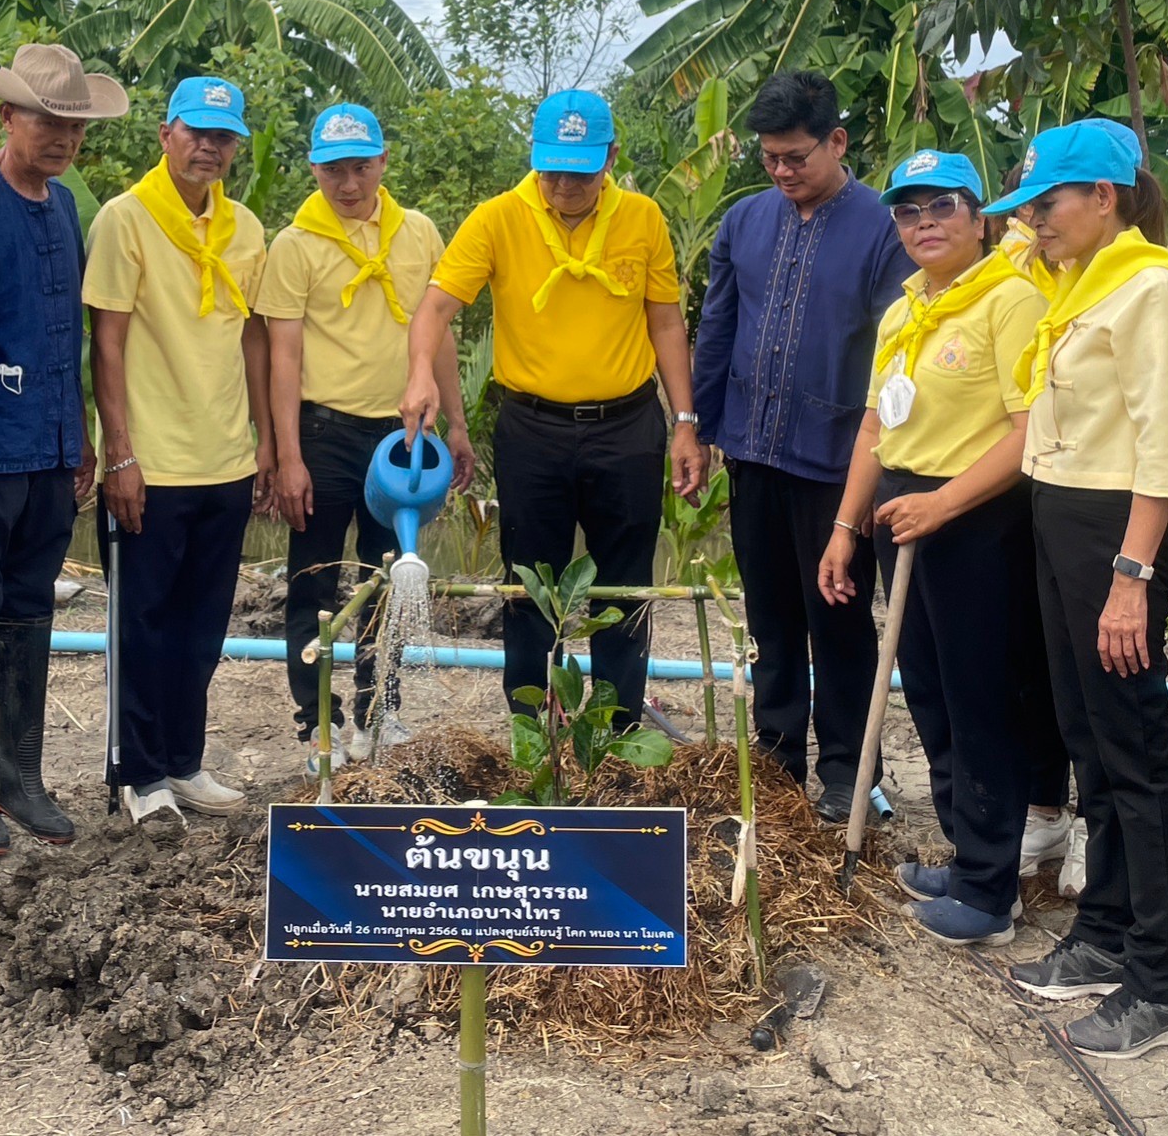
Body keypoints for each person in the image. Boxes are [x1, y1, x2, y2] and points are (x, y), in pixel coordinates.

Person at [983, 120, 1168, 1062]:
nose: (1034, 222)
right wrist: (1031, 234)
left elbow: (1164, 443)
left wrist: (1131, 576)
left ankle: (1163, 980)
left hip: (1119, 532)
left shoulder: (1149, 291)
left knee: (1135, 749)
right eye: (1030, 207)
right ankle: (1110, 925)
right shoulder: (1081, 284)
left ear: (1107, 197)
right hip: (1064, 522)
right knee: (1087, 737)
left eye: (1049, 203)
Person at [402, 89, 706, 729]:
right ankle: (531, 730)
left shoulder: (643, 219)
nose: (564, 185)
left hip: (627, 428)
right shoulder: (498, 218)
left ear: (612, 158)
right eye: (553, 169)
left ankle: (617, 730)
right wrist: (418, 378)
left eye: (581, 170)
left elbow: (666, 323)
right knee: (528, 585)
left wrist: (685, 422)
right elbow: (433, 308)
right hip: (531, 429)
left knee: (623, 586)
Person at [816, 149, 1044, 947]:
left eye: (941, 207)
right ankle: (966, 848)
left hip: (975, 517)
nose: (924, 224)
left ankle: (991, 887)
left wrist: (944, 505)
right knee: (931, 693)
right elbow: (878, 426)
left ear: (978, 216)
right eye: (908, 211)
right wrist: (848, 527)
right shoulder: (905, 307)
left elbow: (1028, 431)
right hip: (902, 513)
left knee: (982, 697)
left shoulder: (1009, 300)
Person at [692, 73, 914, 822]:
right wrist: (698, 427)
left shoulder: (884, 227)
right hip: (753, 449)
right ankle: (778, 759)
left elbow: (897, 350)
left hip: (840, 460)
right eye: (770, 159)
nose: (783, 172)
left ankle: (852, 770)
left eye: (796, 157)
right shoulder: (744, 223)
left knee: (839, 616)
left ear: (837, 141)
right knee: (770, 614)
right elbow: (717, 327)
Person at [0, 45, 130, 855]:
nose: (61, 138)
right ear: (7, 116)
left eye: (74, 126)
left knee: (30, 608)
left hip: (47, 449)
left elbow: (66, 337)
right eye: (47, 119)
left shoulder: (61, 209)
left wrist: (77, 431)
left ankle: (22, 773)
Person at [85, 76, 274, 825]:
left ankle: (184, 759)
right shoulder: (125, 220)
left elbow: (253, 337)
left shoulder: (248, 228)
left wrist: (262, 440)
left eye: (224, 136)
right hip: (152, 461)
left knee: (204, 625)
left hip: (224, 454)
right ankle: (137, 771)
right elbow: (108, 342)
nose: (209, 146)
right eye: (196, 131)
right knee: (144, 622)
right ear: (165, 134)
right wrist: (119, 454)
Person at [259, 104, 473, 766]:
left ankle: (383, 711)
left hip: (402, 435)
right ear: (315, 169)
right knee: (314, 581)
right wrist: (288, 454)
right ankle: (316, 726)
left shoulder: (417, 232)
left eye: (360, 166)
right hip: (323, 432)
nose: (347, 182)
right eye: (333, 169)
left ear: (383, 162)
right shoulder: (295, 245)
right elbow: (283, 358)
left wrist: (458, 427)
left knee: (393, 576)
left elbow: (436, 336)